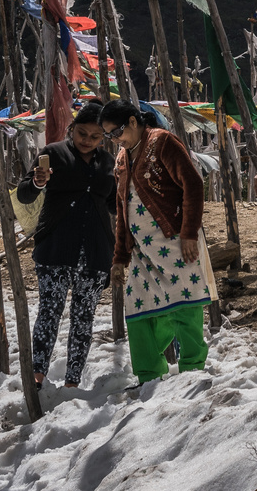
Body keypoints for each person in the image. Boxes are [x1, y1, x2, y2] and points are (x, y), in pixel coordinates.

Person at [103, 99, 210, 383]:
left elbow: (193, 184)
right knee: (139, 310)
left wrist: (188, 232)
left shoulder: (162, 142)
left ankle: (192, 372)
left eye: (117, 132)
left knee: (184, 306)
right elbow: (122, 208)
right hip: (140, 251)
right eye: (110, 136)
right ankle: (149, 376)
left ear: (134, 122)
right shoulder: (122, 159)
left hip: (175, 242)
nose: (115, 140)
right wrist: (119, 258)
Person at [16, 101, 116, 389]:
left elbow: (111, 204)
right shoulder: (53, 154)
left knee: (84, 316)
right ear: (72, 129)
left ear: (103, 138)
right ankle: (37, 373)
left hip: (96, 250)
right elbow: (24, 195)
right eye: (82, 133)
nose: (87, 141)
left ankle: (73, 381)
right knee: (50, 309)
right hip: (57, 246)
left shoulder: (108, 163)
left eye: (95, 137)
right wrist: (37, 181)